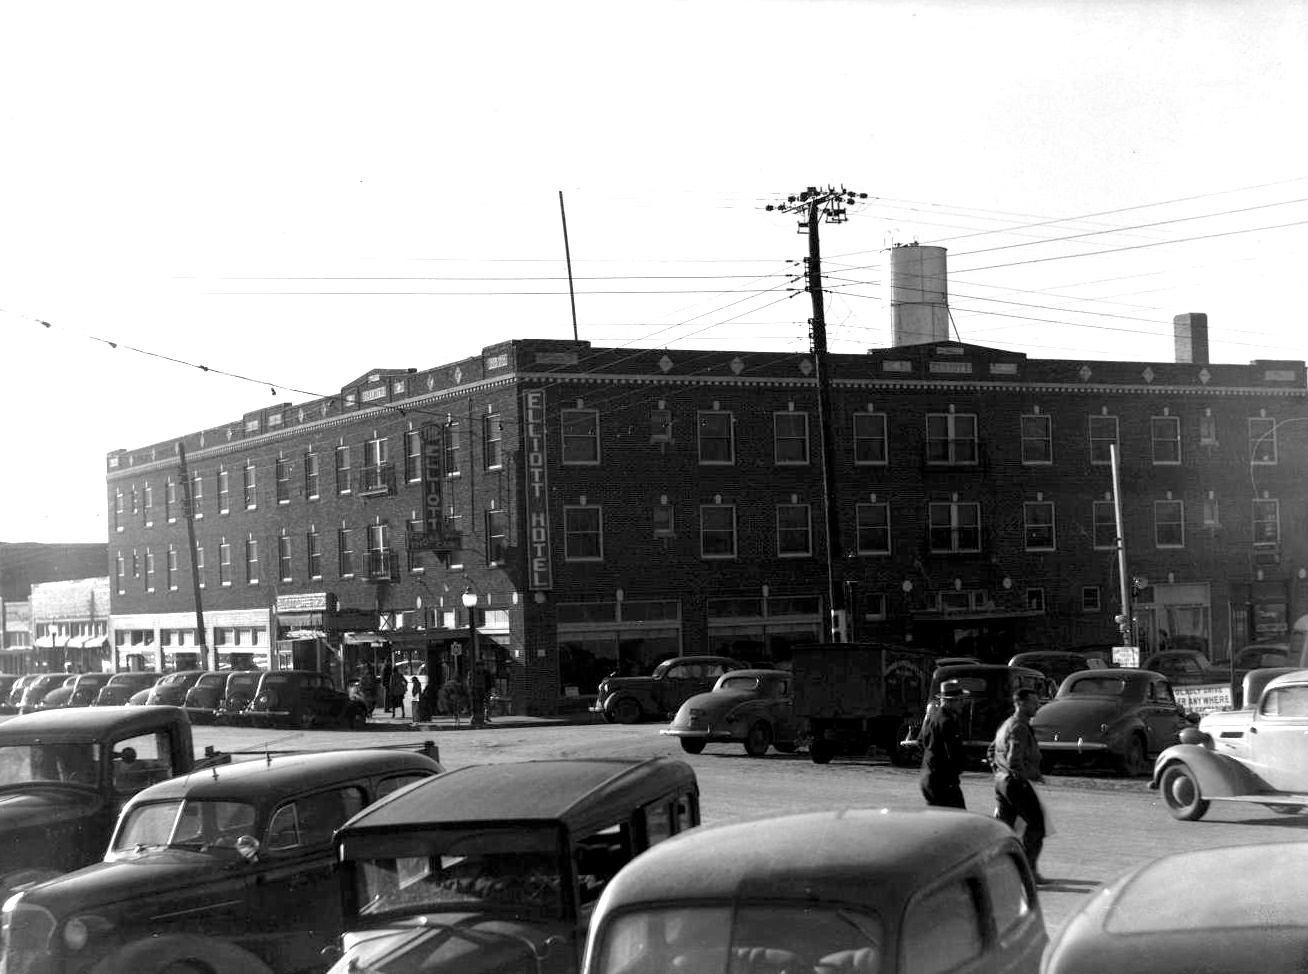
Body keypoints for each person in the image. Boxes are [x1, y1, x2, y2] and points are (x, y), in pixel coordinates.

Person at [988, 687, 1048, 884]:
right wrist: (1031, 775)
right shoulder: (1019, 727)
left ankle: (995, 870)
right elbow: (1015, 761)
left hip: (1002, 781)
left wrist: (998, 771)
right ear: (1020, 704)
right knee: (1036, 825)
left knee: (1004, 829)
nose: (1037, 706)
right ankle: (1028, 872)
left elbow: (991, 751)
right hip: (1015, 782)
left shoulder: (1007, 724)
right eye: (1033, 703)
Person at [919, 679, 970, 808]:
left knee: (938, 817)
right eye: (959, 700)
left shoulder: (933, 718)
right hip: (943, 782)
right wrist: (963, 765)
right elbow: (954, 754)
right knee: (958, 817)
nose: (962, 704)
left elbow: (922, 742)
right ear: (949, 701)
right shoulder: (947, 722)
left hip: (928, 777)